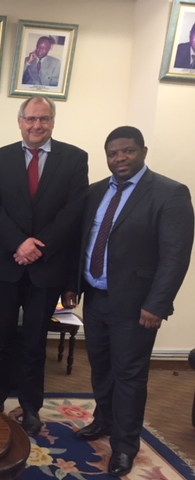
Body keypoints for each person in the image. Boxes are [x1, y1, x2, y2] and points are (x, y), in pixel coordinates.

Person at [66, 126, 194, 476]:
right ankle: (103, 420)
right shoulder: (95, 193)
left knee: (130, 376)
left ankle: (124, 447)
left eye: (128, 151)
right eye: (113, 153)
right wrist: (73, 285)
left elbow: (175, 256)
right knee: (102, 367)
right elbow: (84, 243)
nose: (120, 158)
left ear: (143, 152)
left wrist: (157, 304)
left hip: (137, 306)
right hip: (96, 297)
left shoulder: (169, 193)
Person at [0, 96, 88, 436]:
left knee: (34, 342)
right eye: (30, 119)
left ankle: (31, 408)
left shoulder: (74, 159)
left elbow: (73, 212)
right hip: (7, 265)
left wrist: (38, 246)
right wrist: (19, 243)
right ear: (20, 122)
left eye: (43, 119)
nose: (36, 125)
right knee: (0, 339)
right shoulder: (0, 158)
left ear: (53, 122)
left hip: (47, 267)